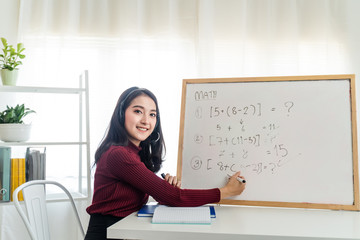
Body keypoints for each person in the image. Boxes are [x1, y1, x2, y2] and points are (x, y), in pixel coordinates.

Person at [84, 87, 246, 240]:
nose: (146, 120)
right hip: (108, 234)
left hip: (123, 230)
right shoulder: (119, 155)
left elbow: (162, 195)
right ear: (121, 114)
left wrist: (165, 190)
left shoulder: (134, 153)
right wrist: (226, 191)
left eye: (152, 114)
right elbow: (175, 198)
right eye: (138, 111)